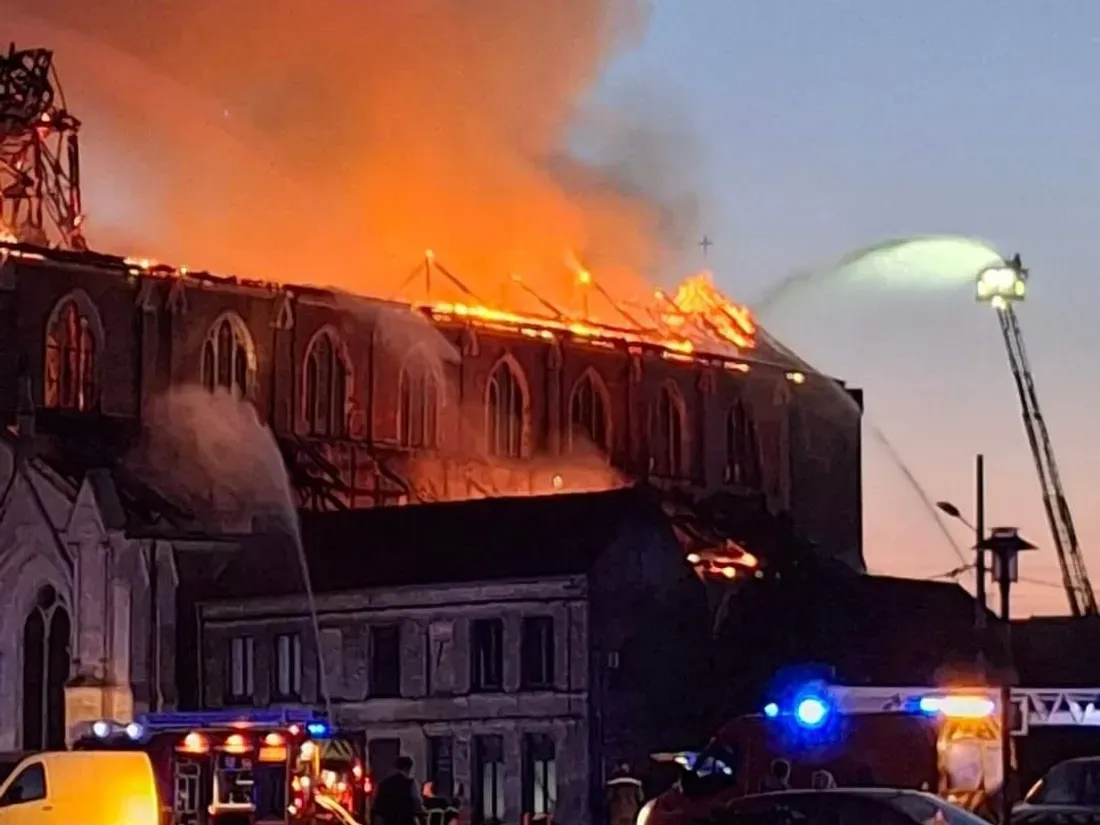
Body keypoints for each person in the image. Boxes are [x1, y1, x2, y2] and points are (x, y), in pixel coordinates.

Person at [373, 756, 427, 825]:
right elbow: (417, 802)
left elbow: (378, 806)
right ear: (408, 768)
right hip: (405, 821)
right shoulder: (410, 783)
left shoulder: (384, 783)